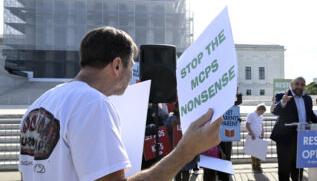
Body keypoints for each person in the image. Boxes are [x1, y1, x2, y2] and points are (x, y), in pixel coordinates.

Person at [18, 26, 223, 181]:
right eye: (131, 65)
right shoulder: (92, 104)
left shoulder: (38, 104)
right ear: (117, 65)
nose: (132, 73)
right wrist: (185, 151)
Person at [270, 77, 317, 181]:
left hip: (302, 137)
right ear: (291, 84)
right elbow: (275, 111)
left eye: (302, 85)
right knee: (284, 168)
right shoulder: (281, 95)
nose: (299, 86)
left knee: (298, 167)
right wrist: (283, 102)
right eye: (297, 84)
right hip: (285, 138)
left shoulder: (307, 98)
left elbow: (310, 114)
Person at [217, 87, 242, 181]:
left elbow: (239, 101)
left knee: (227, 154)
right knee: (220, 155)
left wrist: (237, 92)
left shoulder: (230, 104)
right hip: (219, 134)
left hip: (228, 135)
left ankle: (226, 175)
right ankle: (220, 175)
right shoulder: (217, 106)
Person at [246, 104, 266, 173]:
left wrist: (263, 132)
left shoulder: (261, 116)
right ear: (259, 109)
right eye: (262, 112)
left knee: (259, 151)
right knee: (253, 152)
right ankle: (254, 166)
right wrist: (252, 133)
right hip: (253, 135)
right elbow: (247, 125)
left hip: (259, 135)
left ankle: (258, 165)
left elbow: (261, 124)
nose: (262, 113)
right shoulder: (251, 114)